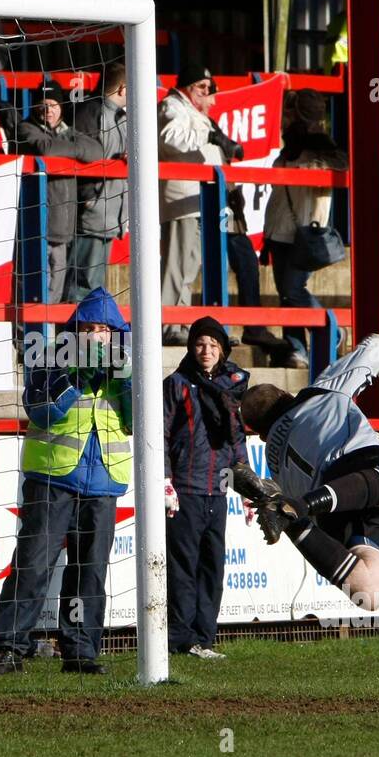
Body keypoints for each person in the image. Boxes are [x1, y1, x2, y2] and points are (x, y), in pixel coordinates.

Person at [0, 287, 133, 676]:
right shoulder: (49, 359)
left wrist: (127, 381)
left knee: (89, 571)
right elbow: (41, 412)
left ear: (116, 332)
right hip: (52, 476)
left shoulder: (128, 366)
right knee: (34, 564)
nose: (96, 335)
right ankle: (8, 647)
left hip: (102, 481)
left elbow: (138, 421)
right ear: (75, 330)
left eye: (104, 328)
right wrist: (78, 377)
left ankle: (79, 650)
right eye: (89, 327)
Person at [235, 334, 379, 611]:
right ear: (287, 395)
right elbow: (377, 346)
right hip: (359, 464)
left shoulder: (273, 462)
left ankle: (291, 519)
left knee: (372, 593)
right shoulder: (319, 392)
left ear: (261, 434)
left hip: (333, 510)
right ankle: (294, 510)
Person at [163, 316, 249, 659]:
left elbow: (237, 440)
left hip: (219, 490)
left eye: (213, 345)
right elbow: (161, 433)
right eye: (200, 343)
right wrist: (165, 479)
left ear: (223, 350)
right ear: (191, 347)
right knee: (182, 567)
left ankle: (205, 637)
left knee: (213, 568)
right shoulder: (176, 384)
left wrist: (247, 486)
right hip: (185, 490)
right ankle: (181, 639)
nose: (206, 350)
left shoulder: (232, 387)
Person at [262, 90, 346, 369]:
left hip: (304, 231)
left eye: (289, 113)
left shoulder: (323, 147)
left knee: (293, 288)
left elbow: (338, 166)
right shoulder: (289, 147)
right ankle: (296, 349)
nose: (284, 119)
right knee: (287, 293)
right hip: (279, 229)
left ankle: (330, 328)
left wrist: (308, 166)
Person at [205, 81, 287, 357]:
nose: (212, 101)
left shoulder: (206, 120)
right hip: (200, 205)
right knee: (195, 269)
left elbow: (236, 151)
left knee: (246, 261)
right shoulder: (180, 115)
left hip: (225, 204)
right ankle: (210, 329)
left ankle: (252, 325)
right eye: (206, 93)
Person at [16, 80, 103, 304]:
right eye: (43, 105)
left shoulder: (67, 132)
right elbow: (45, 148)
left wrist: (67, 149)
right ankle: (26, 337)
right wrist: (74, 151)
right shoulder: (26, 128)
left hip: (63, 230)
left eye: (53, 105)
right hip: (36, 228)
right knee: (34, 290)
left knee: (55, 292)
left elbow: (96, 150)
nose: (48, 111)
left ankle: (46, 337)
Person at [159, 63, 224, 345]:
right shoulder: (172, 106)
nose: (208, 93)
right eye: (203, 87)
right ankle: (162, 324)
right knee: (175, 266)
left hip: (198, 200)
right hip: (180, 198)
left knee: (189, 268)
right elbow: (170, 139)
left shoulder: (195, 113)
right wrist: (208, 135)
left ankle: (180, 323)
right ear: (188, 88)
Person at [68, 63, 128, 302]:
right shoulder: (91, 114)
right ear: (123, 88)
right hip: (92, 214)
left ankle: (88, 338)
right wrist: (89, 201)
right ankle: (74, 339)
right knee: (82, 286)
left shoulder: (119, 117)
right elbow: (78, 158)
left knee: (93, 287)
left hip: (107, 216)